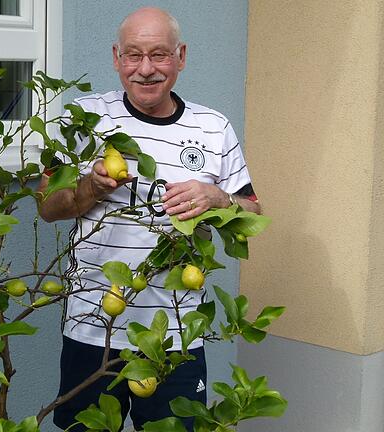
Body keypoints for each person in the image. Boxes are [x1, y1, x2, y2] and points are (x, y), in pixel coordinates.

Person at [37, 7, 261, 432]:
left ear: (181, 56)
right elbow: (47, 208)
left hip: (176, 334)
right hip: (93, 327)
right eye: (133, 55)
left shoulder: (213, 127)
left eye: (159, 55)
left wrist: (216, 197)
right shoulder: (83, 119)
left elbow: (252, 209)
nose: (145, 70)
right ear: (116, 56)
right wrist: (90, 188)